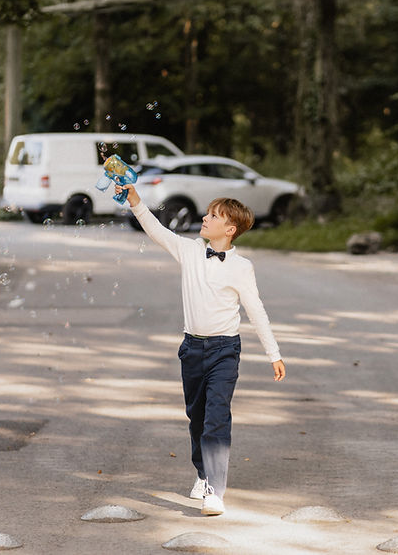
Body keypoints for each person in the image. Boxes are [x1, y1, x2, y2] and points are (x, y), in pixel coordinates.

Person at [115, 182, 286, 516]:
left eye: (213, 216)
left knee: (216, 418)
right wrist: (135, 201)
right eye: (207, 214)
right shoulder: (191, 251)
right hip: (192, 349)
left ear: (230, 229)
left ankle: (215, 489)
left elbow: (256, 311)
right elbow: (158, 231)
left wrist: (273, 353)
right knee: (197, 417)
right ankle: (202, 471)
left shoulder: (242, 267)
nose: (205, 219)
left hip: (225, 351)